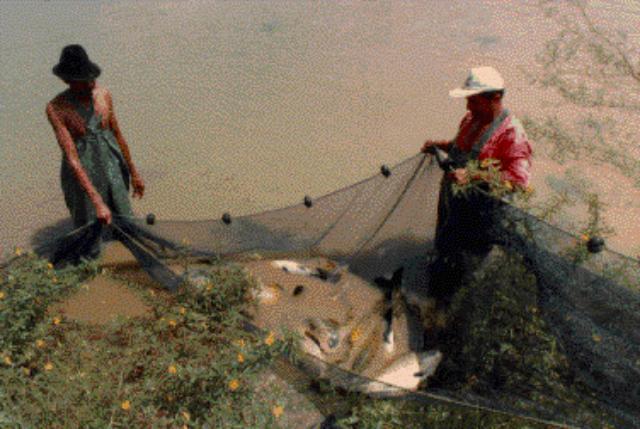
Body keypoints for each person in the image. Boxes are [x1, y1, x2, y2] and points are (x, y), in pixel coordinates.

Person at [420, 66, 532, 346]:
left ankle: (449, 326)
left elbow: (519, 181)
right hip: (453, 203)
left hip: (480, 215)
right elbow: (462, 148)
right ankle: (434, 306)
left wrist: (474, 176)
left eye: (473, 98)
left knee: (465, 268)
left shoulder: (512, 135)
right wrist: (439, 145)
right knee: (444, 250)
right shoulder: (470, 119)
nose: (467, 104)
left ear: (494, 98)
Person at [46, 44, 144, 260]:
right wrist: (97, 200)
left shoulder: (104, 95)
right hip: (82, 172)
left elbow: (118, 135)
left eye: (92, 78)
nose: (91, 83)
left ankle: (126, 262)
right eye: (84, 80)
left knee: (125, 221)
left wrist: (135, 173)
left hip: (111, 165)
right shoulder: (56, 108)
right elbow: (71, 158)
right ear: (67, 81)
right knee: (90, 233)